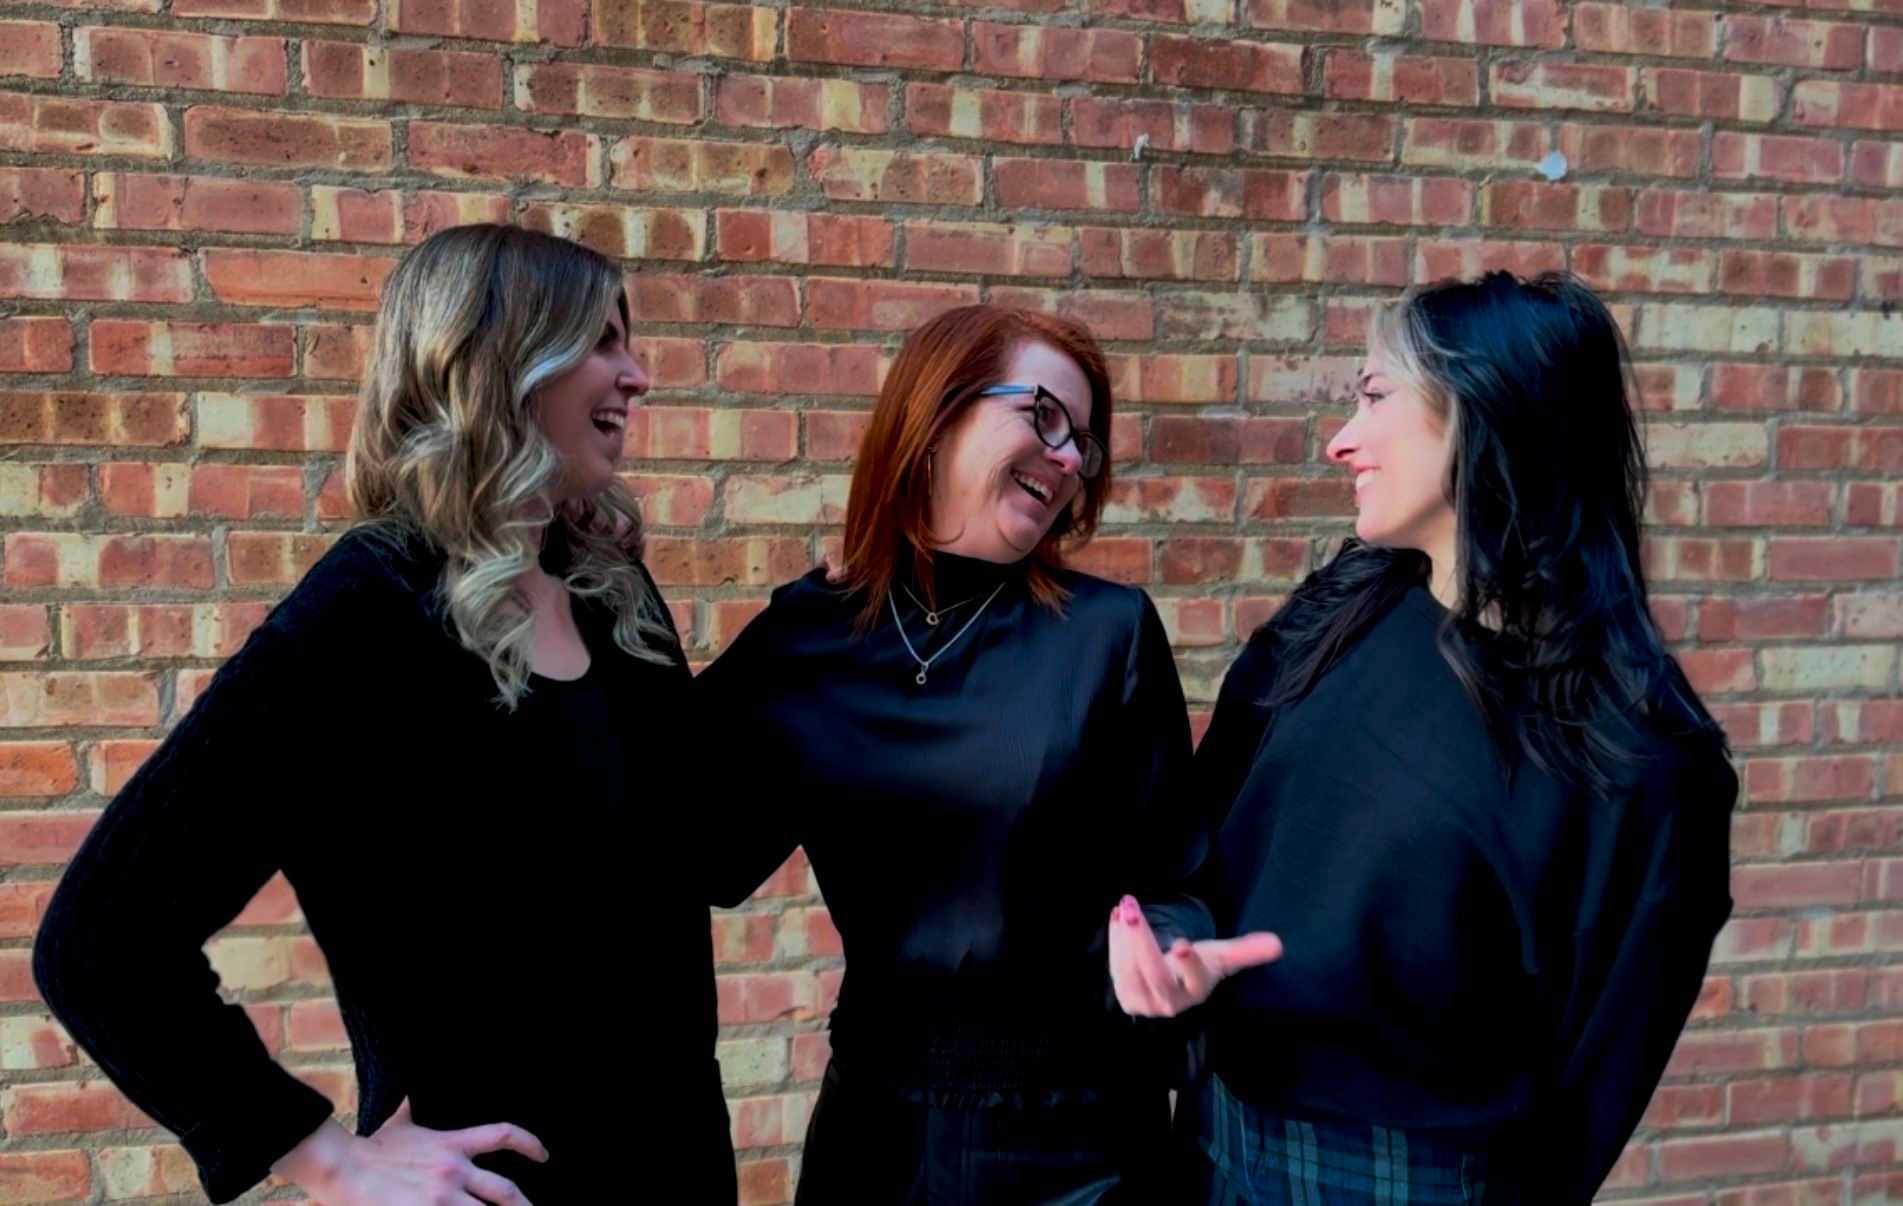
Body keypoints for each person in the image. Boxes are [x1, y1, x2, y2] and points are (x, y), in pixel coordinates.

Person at [33, 225, 736, 1205]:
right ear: (498, 362)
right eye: (602, 341)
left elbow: (707, 833)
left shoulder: (610, 593)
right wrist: (325, 1158)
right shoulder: (368, 611)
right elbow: (99, 943)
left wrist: (841, 616)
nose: (638, 376)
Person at [1113, 272, 1737, 1204]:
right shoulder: (1336, 613)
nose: (1339, 441)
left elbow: (1599, 1073)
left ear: (1482, 410)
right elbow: (1196, 852)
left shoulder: (1638, 755)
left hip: (1411, 1178)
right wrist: (1166, 948)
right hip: (1209, 1136)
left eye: (1373, 396)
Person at [696, 304, 1266, 1203]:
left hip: (1075, 1142)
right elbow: (689, 845)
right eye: (1043, 416)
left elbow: (1178, 882)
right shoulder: (808, 637)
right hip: (873, 1138)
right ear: (937, 411)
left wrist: (1167, 949)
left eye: (1083, 442)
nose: (1071, 457)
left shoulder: (1104, 634)